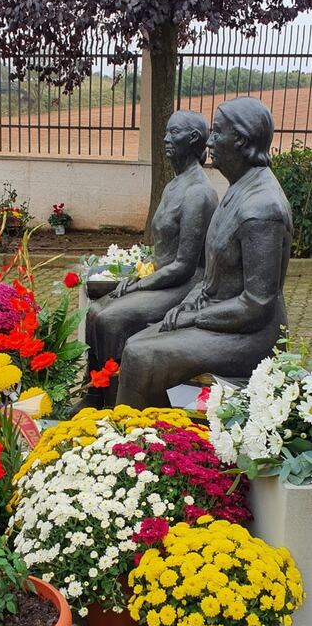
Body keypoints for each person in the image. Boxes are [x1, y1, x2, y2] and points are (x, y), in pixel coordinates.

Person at [116, 97, 293, 409]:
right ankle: (150, 432)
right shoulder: (238, 187)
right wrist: (190, 302)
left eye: (217, 132)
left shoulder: (262, 208)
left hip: (252, 336)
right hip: (223, 312)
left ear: (239, 140)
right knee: (135, 342)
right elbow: (214, 276)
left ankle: (135, 443)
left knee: (141, 356)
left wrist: (194, 317)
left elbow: (257, 306)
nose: (209, 141)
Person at [78, 110, 218, 409]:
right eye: (166, 131)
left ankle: (117, 406)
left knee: (111, 319)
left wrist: (140, 285)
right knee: (94, 312)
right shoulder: (173, 185)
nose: (166, 138)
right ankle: (93, 394)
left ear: (193, 138)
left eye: (174, 133)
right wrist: (139, 276)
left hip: (184, 284)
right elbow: (161, 251)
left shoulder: (199, 193)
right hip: (164, 276)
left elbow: (185, 265)